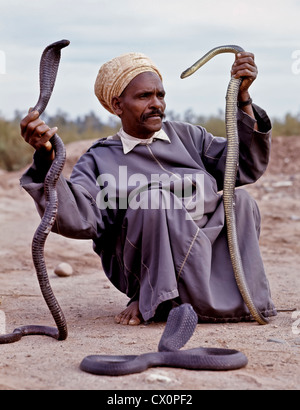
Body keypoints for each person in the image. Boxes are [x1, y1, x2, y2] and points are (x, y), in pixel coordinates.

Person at [20, 51, 277, 326]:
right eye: (144, 96)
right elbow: (79, 217)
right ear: (118, 105)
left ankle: (242, 297)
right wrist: (46, 156)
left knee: (240, 199)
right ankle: (153, 297)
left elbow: (244, 166)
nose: (157, 104)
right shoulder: (99, 158)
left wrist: (243, 98)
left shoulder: (189, 136)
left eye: (160, 95)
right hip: (144, 267)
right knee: (154, 200)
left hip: (205, 256)